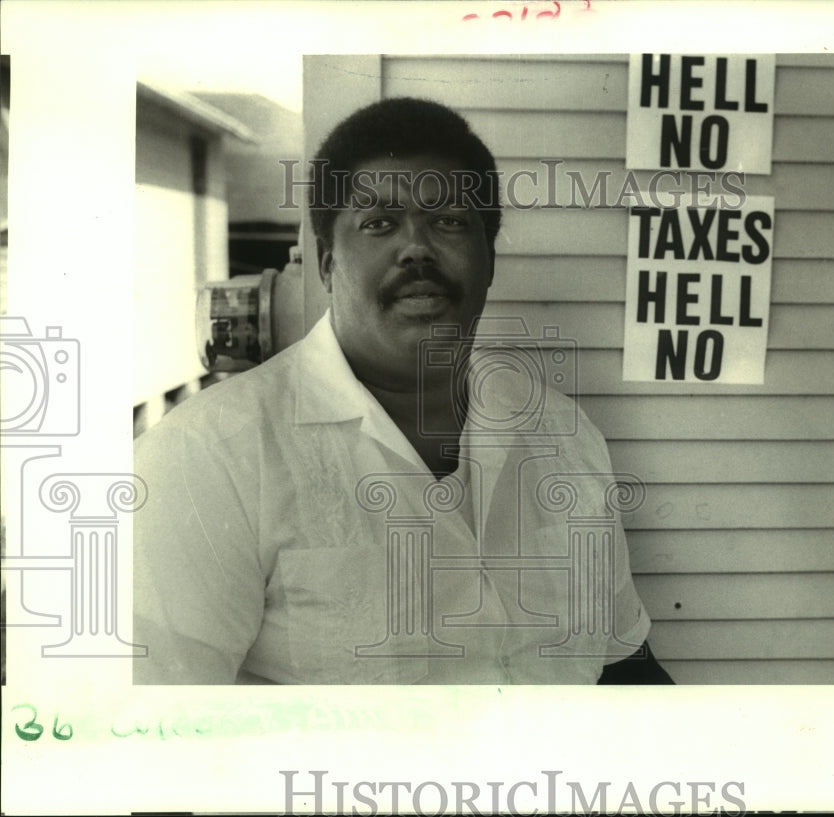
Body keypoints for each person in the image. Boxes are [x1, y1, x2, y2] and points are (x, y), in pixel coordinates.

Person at [133, 97, 673, 685]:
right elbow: (160, 734)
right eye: (379, 223)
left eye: (449, 221)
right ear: (327, 262)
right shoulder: (209, 458)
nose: (416, 247)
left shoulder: (562, 436)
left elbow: (621, 658)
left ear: (488, 259)